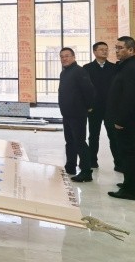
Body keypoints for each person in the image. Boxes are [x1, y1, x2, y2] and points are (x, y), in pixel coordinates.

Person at [106, 36, 135, 201]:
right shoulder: (125, 66)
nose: (117, 51)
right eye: (116, 48)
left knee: (126, 153)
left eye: (120, 48)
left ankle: (129, 190)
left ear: (131, 50)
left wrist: (120, 121)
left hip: (125, 121)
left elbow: (128, 98)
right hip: (125, 119)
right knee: (130, 152)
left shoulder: (132, 69)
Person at [58, 47, 95, 182]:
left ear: (73, 57)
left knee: (80, 142)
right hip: (67, 113)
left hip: (77, 113)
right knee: (69, 141)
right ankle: (70, 166)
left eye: (67, 56)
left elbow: (89, 90)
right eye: (62, 56)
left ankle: (86, 172)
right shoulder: (64, 73)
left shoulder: (79, 71)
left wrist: (89, 107)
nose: (64, 58)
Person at [83, 41, 118, 169]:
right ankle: (92, 161)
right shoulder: (87, 68)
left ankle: (119, 163)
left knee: (113, 136)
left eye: (106, 49)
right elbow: (85, 89)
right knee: (93, 136)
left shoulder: (114, 68)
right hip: (94, 108)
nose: (105, 51)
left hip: (110, 108)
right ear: (94, 52)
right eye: (101, 49)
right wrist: (88, 105)